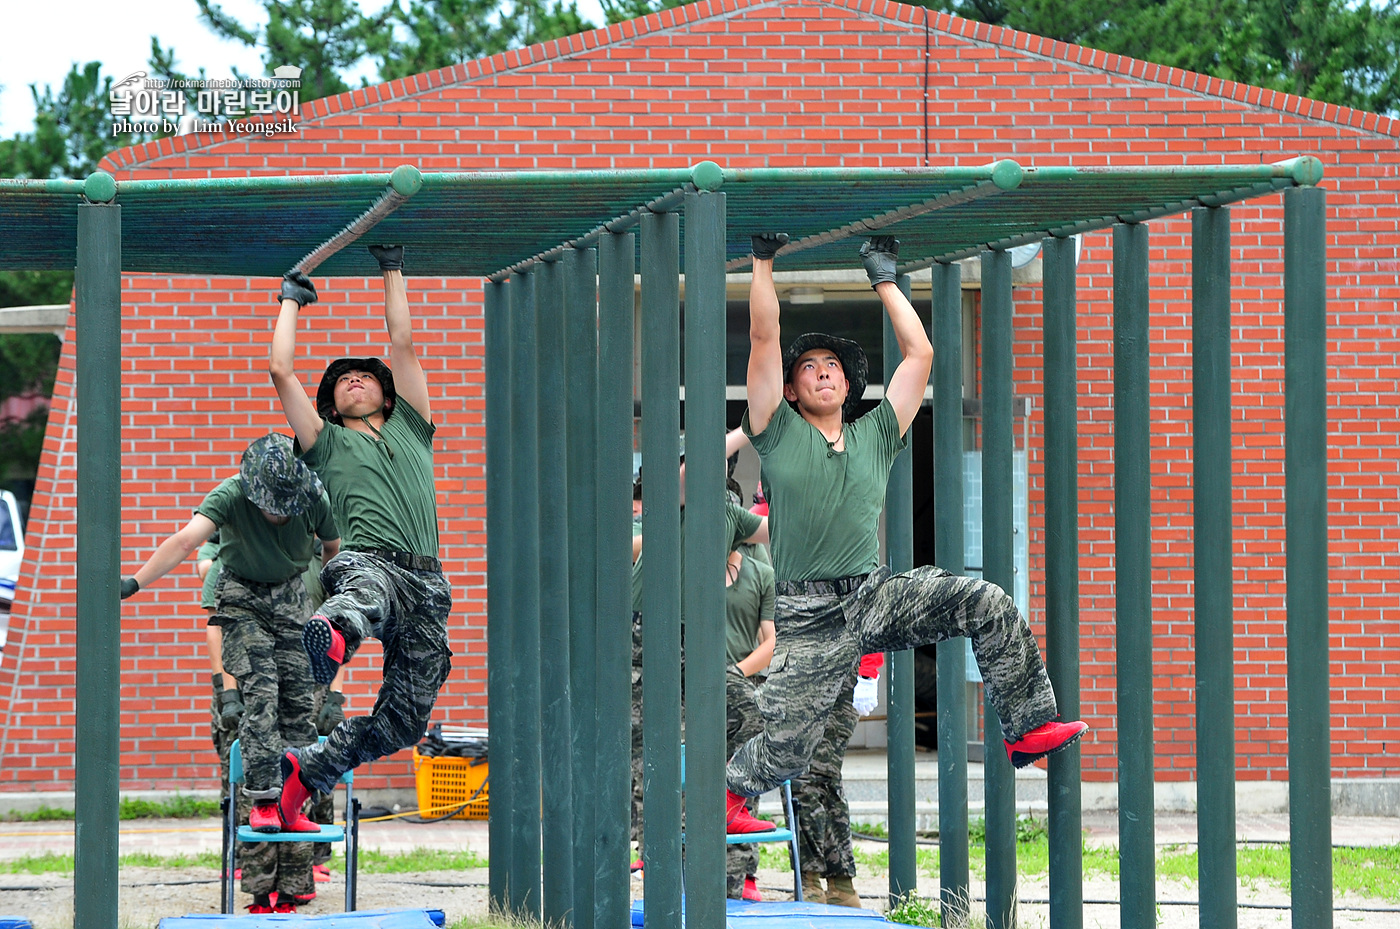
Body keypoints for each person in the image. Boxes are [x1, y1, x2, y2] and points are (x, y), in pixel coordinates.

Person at [724, 233, 1087, 834]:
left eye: (833, 367)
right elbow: (764, 338)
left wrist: (885, 281)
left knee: (984, 600)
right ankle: (733, 795)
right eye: (809, 368)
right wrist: (762, 263)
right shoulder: (775, 428)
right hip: (807, 610)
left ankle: (1026, 728)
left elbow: (919, 355)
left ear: (847, 386)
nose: (823, 374)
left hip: (871, 593)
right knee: (788, 749)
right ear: (790, 389)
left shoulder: (876, 434)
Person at [268, 244, 453, 834]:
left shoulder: (413, 426)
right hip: (367, 562)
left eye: (364, 377)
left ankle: (307, 771)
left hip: (428, 582)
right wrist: (291, 302)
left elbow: (403, 344)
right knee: (363, 592)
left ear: (386, 394)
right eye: (343, 380)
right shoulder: (324, 441)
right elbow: (280, 370)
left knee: (403, 721)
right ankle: (335, 634)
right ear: (333, 402)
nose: (354, 380)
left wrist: (393, 268)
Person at [121, 433, 339, 912]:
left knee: (299, 715)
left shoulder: (315, 496)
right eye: (271, 507)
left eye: (286, 508)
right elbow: (184, 541)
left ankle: (295, 862)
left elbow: (333, 549)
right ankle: (263, 801)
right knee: (261, 699)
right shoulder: (229, 493)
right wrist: (134, 582)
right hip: (240, 597)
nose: (279, 514)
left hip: (292, 598)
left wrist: (335, 602)